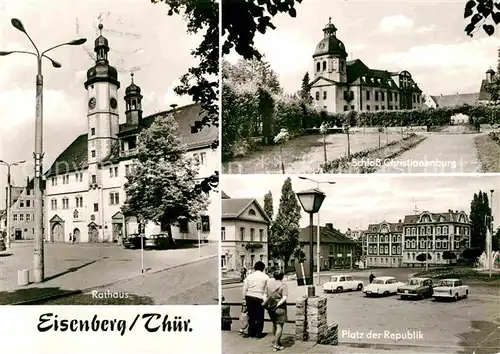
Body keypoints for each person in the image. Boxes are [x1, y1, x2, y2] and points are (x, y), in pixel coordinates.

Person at [242, 261, 269, 339]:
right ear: (263, 268)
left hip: (249, 297)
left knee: (251, 315)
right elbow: (267, 290)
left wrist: (243, 298)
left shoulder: (249, 276)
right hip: (259, 297)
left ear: (255, 268)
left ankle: (251, 332)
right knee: (259, 316)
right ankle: (258, 333)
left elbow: (245, 288)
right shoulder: (266, 277)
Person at [264, 271, 288, 351]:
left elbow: (265, 295)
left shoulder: (269, 284)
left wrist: (268, 304)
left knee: (274, 324)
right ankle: (276, 344)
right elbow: (284, 298)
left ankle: (277, 341)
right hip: (280, 307)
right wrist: (277, 304)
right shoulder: (283, 285)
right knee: (279, 326)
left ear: (274, 276)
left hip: (270, 306)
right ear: (282, 276)